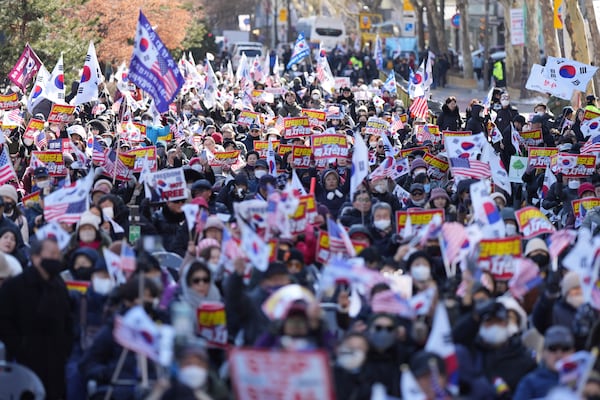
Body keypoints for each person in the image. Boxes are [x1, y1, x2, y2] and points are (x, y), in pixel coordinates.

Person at [0, 237, 73, 400]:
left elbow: (68, 318)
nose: (56, 259)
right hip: (27, 362)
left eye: (58, 255)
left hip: (57, 361)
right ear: (36, 257)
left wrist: (65, 346)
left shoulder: (59, 285)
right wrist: (20, 347)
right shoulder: (15, 286)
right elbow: (5, 322)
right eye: (52, 254)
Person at [513, 325, 575, 399]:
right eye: (553, 349)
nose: (559, 354)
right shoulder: (530, 382)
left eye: (565, 349)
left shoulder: (583, 379)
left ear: (573, 352)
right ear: (543, 353)